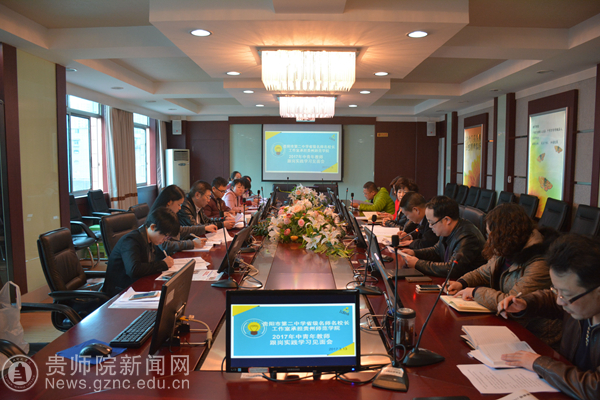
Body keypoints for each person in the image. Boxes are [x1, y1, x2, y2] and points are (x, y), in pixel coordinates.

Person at [498, 234, 600, 400]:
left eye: (566, 294)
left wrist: (539, 363)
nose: (560, 301)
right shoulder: (581, 303)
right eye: (556, 290)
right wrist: (526, 303)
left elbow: (594, 388)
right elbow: (552, 300)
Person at [446, 203, 562, 346]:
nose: (488, 240)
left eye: (490, 235)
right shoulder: (507, 249)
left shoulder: (539, 262)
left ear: (504, 234)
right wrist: (462, 282)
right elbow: (484, 272)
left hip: (536, 337)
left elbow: (511, 302)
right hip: (510, 326)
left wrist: (475, 292)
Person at [400, 196, 486, 279]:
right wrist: (414, 253)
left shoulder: (467, 237)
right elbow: (436, 251)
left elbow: (452, 269)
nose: (430, 226)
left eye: (432, 223)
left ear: (447, 220)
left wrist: (418, 264)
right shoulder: (446, 231)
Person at [102, 208, 179, 297]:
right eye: (165, 236)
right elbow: (133, 270)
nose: (165, 240)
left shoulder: (150, 239)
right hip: (120, 292)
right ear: (153, 227)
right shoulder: (131, 240)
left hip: (136, 286)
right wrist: (163, 264)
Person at [150, 184, 208, 253]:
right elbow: (165, 245)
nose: (180, 208)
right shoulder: (158, 216)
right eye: (179, 204)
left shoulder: (170, 215)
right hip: (165, 257)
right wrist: (192, 243)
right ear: (169, 202)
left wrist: (204, 228)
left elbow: (180, 230)